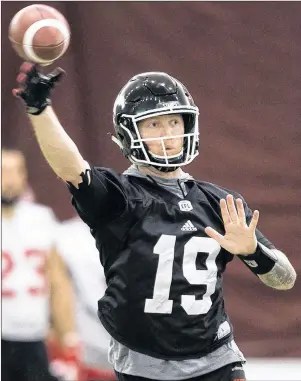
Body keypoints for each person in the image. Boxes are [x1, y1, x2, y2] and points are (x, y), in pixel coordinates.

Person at [13, 63, 296, 381]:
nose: (168, 134)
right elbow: (70, 167)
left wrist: (254, 251)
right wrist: (40, 110)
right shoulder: (120, 197)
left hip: (217, 359)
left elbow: (285, 279)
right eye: (154, 124)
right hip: (146, 365)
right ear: (129, 133)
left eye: (174, 121)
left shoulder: (219, 202)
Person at [2, 148, 79, 381]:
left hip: (35, 334)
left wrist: (67, 334)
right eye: (3, 171)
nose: (10, 179)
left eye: (17, 171)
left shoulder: (41, 219)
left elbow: (58, 281)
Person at [55, 216, 116, 381]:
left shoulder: (149, 227)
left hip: (139, 347)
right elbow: (57, 291)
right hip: (88, 346)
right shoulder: (65, 235)